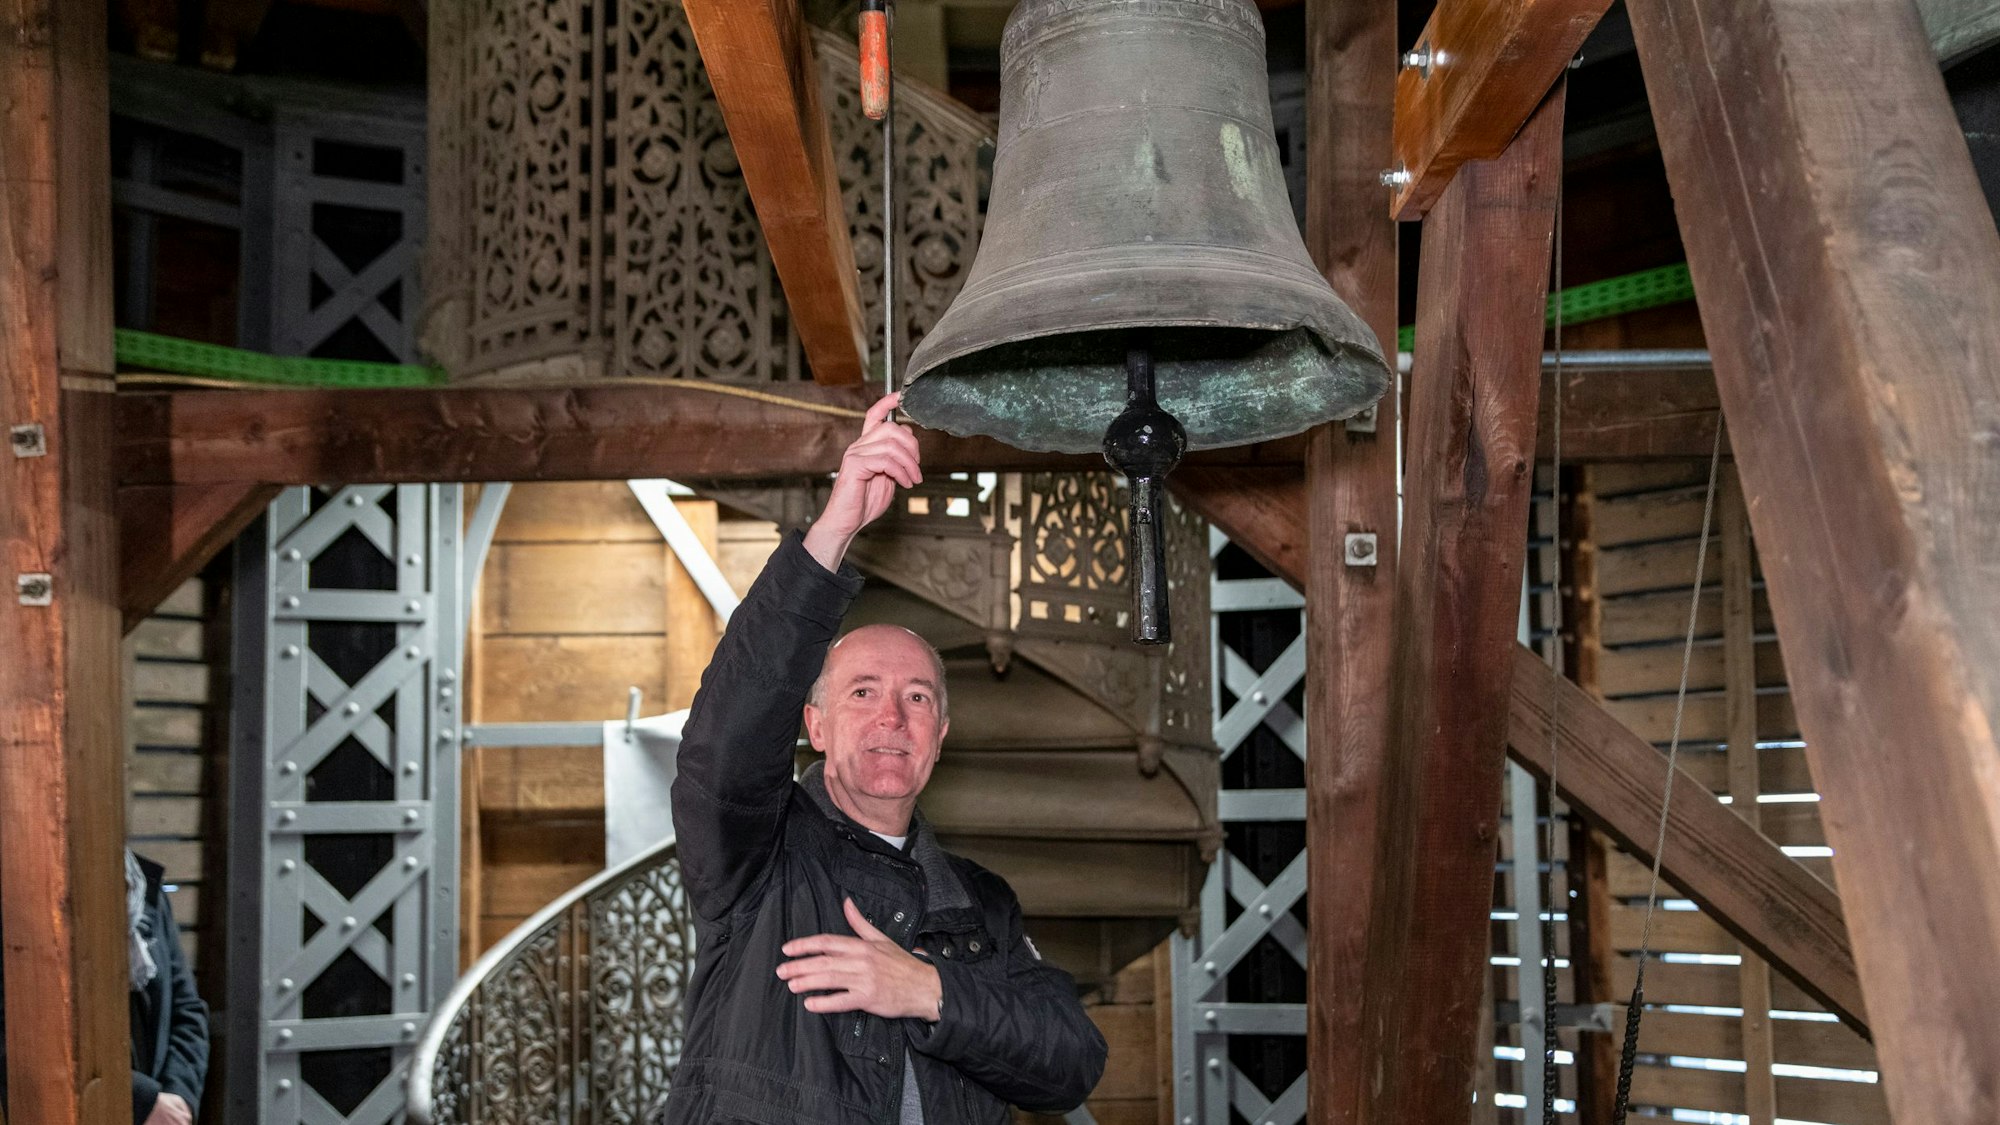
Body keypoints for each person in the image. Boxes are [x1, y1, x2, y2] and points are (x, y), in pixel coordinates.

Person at [665, 393, 1107, 1124]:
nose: (892, 716)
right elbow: (727, 737)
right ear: (814, 723)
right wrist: (834, 529)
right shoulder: (758, 858)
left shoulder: (979, 905)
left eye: (918, 697)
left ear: (940, 734)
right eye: (863, 691)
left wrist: (928, 989)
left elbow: (1072, 1058)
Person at [0, 849, 210, 1124]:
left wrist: (178, 1095)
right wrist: (143, 1100)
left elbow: (187, 1009)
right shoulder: (21, 892)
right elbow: (17, 1035)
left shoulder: (144, 886)